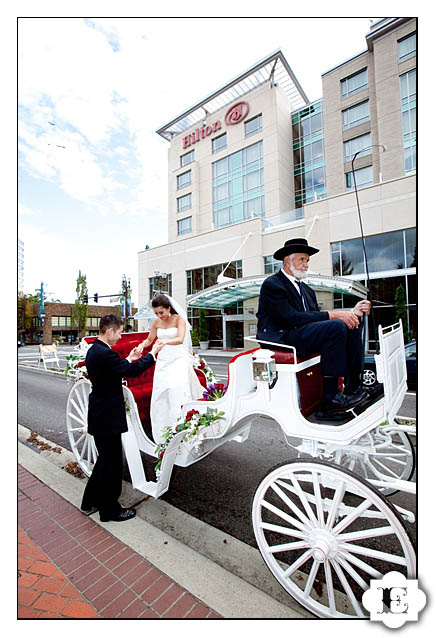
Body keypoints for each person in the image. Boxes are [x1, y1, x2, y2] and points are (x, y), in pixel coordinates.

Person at [256, 238, 377, 420]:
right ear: (288, 261)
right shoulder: (273, 285)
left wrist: (352, 313)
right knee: (336, 326)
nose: (306, 264)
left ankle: (354, 387)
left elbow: (317, 319)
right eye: (302, 260)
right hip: (282, 337)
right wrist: (336, 316)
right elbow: (290, 319)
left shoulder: (307, 290)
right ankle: (330, 400)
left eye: (307, 260)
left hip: (301, 333)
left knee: (350, 323)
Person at [81, 314, 164, 522]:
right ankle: (110, 511)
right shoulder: (103, 354)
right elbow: (131, 372)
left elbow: (116, 370)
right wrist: (152, 354)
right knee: (112, 465)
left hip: (100, 414)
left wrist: (130, 357)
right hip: (107, 416)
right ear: (109, 331)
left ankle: (89, 500)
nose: (120, 336)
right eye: (118, 332)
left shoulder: (96, 351)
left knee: (103, 462)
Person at [137, 294, 204, 445]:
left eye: (161, 312)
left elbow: (180, 339)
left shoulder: (179, 319)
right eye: (156, 313)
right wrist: (142, 345)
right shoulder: (156, 322)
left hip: (178, 358)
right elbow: (149, 339)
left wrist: (165, 341)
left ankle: (184, 428)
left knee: (177, 390)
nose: (159, 316)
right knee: (161, 393)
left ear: (168, 308)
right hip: (163, 360)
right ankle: (163, 431)